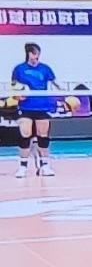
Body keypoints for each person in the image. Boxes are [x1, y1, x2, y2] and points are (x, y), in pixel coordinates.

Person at [12, 43, 60, 178]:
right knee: (25, 135)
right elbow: (13, 86)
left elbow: (56, 83)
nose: (36, 56)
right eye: (34, 54)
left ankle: (45, 166)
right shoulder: (19, 69)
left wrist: (68, 95)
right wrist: (17, 94)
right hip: (25, 107)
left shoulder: (45, 69)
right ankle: (23, 167)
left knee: (43, 136)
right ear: (28, 54)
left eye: (38, 54)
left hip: (42, 106)